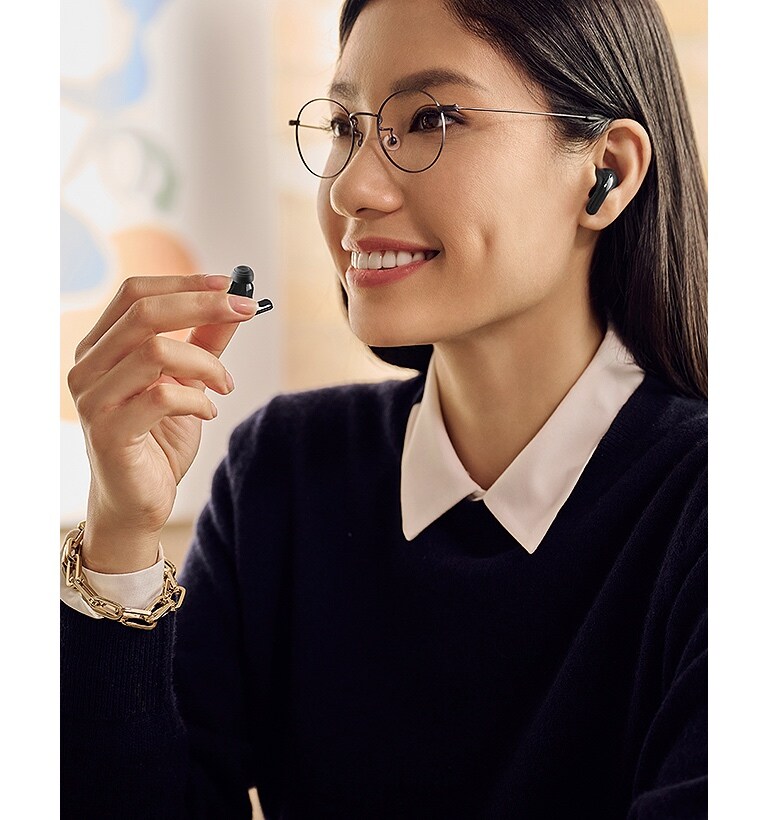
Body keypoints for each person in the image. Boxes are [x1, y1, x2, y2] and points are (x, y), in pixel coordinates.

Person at [60, 0, 707, 817]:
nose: (352, 188)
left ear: (605, 170)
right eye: (344, 126)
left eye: (430, 117)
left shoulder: (716, 513)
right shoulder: (284, 473)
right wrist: (120, 535)